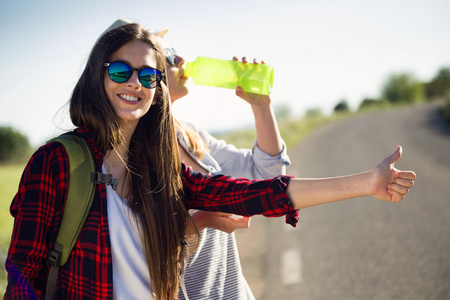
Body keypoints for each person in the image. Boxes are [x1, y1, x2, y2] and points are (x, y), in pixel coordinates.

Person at [4, 21, 416, 300]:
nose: (135, 83)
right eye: (120, 71)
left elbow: (256, 192)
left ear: (157, 89)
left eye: (148, 76)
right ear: (98, 75)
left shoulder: (158, 167)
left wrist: (368, 182)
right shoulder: (57, 162)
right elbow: (23, 274)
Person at [155, 28, 290, 299]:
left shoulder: (188, 133)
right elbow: (146, 247)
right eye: (168, 55)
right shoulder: (134, 157)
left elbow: (267, 173)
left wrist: (261, 105)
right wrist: (204, 220)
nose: (180, 59)